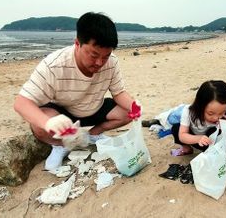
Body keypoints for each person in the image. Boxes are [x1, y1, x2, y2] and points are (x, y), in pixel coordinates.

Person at [14, 12, 139, 171]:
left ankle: (93, 135)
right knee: (38, 125)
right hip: (65, 114)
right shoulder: (54, 65)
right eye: (93, 55)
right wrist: (48, 123)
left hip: (95, 108)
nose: (99, 63)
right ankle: (61, 145)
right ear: (77, 43)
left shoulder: (112, 62)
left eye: (105, 56)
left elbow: (119, 92)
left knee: (128, 111)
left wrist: (135, 106)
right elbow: (21, 103)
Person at [170, 80, 226, 156]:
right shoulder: (189, 111)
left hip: (210, 145)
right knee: (176, 128)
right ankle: (186, 149)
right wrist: (198, 138)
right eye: (210, 113)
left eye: (221, 112)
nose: (216, 117)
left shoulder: (223, 119)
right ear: (200, 106)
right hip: (193, 139)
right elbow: (182, 136)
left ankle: (210, 155)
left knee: (215, 132)